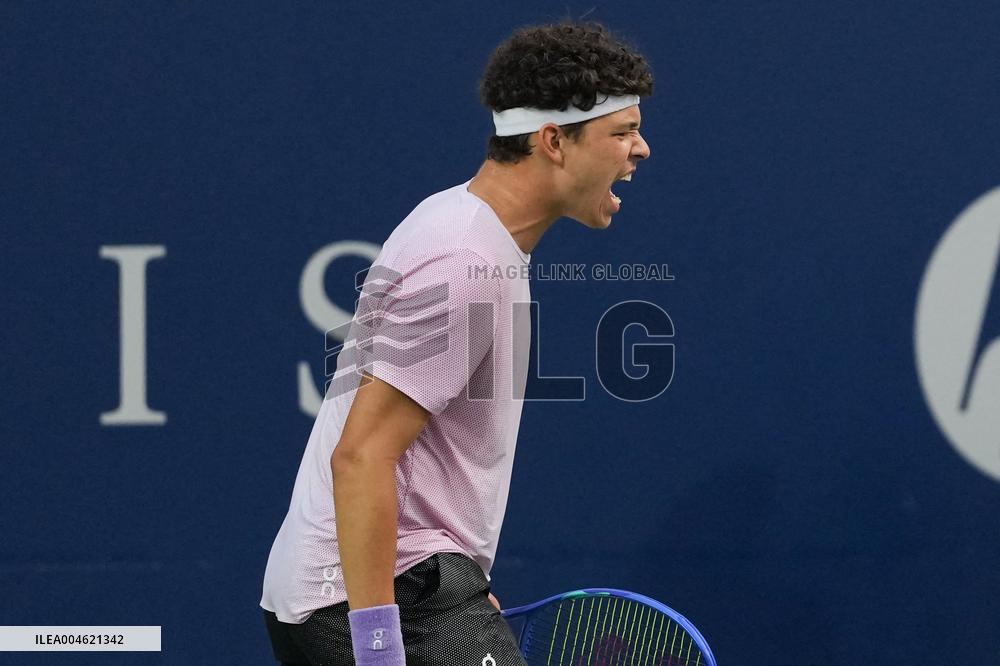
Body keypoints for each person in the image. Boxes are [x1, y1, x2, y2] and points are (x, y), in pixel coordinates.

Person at [261, 20, 653, 666]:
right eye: (622, 132)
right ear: (554, 141)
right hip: (372, 601)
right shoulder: (464, 261)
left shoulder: (462, 226)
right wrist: (382, 644)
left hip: (401, 586)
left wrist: (456, 582)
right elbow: (360, 457)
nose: (640, 149)